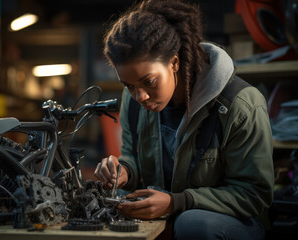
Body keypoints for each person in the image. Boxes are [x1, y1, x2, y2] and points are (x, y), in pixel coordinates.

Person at [94, 0, 274, 239]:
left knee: (193, 225)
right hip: (170, 214)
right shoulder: (134, 101)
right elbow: (132, 157)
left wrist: (178, 202)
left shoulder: (241, 105)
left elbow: (254, 195)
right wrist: (123, 170)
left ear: (174, 62)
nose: (140, 96)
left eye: (149, 82)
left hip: (235, 223)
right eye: (128, 85)